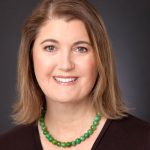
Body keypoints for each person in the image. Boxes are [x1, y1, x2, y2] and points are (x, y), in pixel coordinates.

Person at [0, 0, 150, 149]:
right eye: (50, 47)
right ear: (30, 56)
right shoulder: (6, 145)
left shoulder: (144, 140)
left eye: (80, 49)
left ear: (100, 59)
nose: (66, 65)